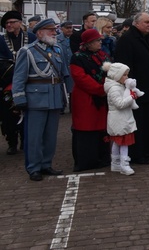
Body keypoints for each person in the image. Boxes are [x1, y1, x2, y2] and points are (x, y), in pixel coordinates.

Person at [11, 18, 68, 181]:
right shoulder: (27, 51)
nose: (54, 32)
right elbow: (19, 77)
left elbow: (63, 75)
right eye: (50, 30)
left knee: (50, 136)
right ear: (39, 33)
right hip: (36, 99)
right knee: (34, 136)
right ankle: (34, 167)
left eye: (54, 30)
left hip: (55, 97)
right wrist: (19, 98)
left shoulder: (58, 49)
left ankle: (46, 164)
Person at [114, 12, 149, 163]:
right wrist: (130, 87)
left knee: (148, 121)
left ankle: (147, 150)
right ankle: (136, 153)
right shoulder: (127, 40)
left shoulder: (147, 38)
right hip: (135, 89)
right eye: (146, 22)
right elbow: (124, 66)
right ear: (137, 23)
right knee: (137, 122)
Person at [69, 28, 111, 171]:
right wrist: (100, 89)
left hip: (102, 98)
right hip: (85, 98)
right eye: (97, 40)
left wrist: (108, 85)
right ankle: (86, 161)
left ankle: (102, 158)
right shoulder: (78, 57)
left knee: (101, 128)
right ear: (89, 43)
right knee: (86, 128)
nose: (100, 42)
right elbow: (80, 78)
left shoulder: (103, 56)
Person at [1, 11, 29, 154]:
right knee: (9, 115)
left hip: (28, 82)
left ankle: (26, 140)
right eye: (6, 23)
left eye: (12, 22)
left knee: (27, 112)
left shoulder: (30, 38)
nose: (9, 25)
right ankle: (12, 142)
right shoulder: (1, 40)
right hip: (8, 82)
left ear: (20, 23)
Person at [104, 62, 138, 176]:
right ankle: (124, 164)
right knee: (123, 142)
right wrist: (131, 97)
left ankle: (115, 162)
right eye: (124, 75)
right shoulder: (114, 89)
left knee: (118, 142)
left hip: (121, 118)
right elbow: (119, 104)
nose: (127, 77)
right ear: (117, 76)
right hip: (119, 119)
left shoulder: (119, 86)